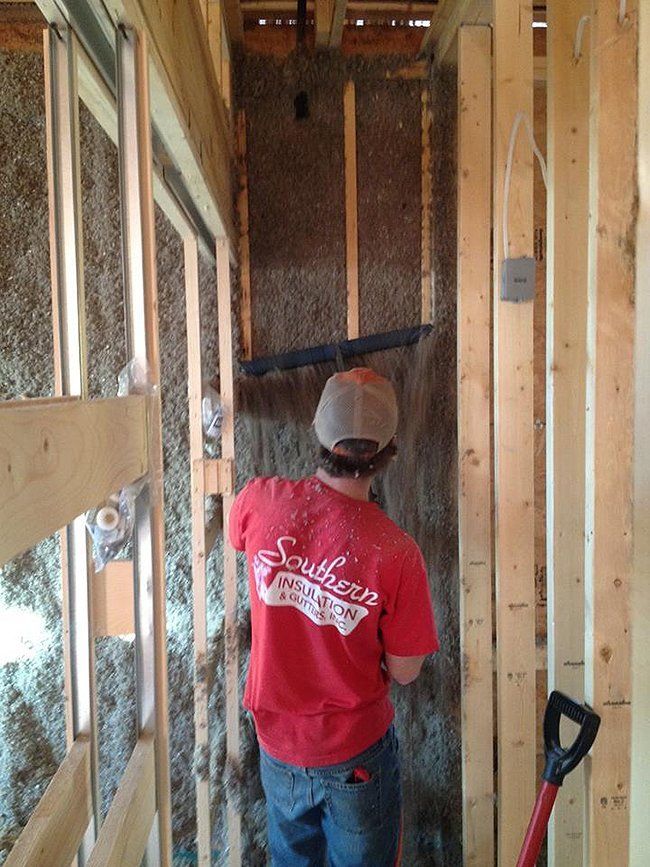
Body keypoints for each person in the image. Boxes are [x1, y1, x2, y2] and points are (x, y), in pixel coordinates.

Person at [229, 367, 439, 866]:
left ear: (320, 434)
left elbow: (239, 541)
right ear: (387, 451)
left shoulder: (259, 500)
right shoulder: (397, 551)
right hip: (355, 754)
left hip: (277, 746)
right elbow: (407, 672)